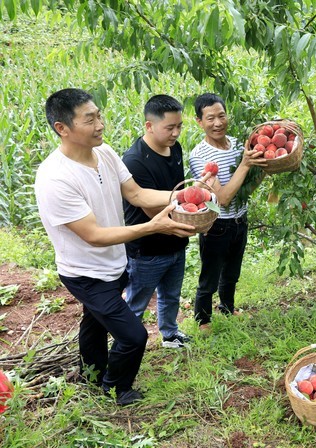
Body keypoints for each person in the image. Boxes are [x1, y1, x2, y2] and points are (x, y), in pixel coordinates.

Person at [35, 88, 196, 405]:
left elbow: (136, 194)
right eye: (90, 119)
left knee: (93, 323)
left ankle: (90, 374)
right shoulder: (55, 178)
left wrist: (183, 196)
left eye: (99, 115)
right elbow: (93, 234)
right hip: (85, 273)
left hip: (114, 263)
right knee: (134, 336)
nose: (100, 125)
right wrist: (152, 227)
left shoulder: (105, 154)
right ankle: (116, 388)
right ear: (62, 128)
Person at [189, 93, 266, 330]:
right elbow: (221, 199)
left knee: (232, 272)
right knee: (209, 276)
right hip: (217, 225)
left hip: (239, 220)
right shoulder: (200, 156)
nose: (218, 123)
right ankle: (203, 319)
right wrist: (245, 164)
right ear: (199, 122)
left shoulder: (236, 145)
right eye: (210, 118)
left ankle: (227, 308)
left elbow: (245, 189)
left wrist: (264, 169)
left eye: (221, 116)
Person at [122, 95, 191, 349]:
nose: (176, 132)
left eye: (179, 126)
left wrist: (189, 217)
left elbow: (177, 188)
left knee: (171, 295)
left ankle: (170, 334)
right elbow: (150, 208)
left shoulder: (175, 147)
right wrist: (184, 220)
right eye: (170, 128)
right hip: (147, 248)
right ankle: (127, 345)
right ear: (149, 126)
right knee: (136, 301)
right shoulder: (134, 161)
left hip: (176, 238)